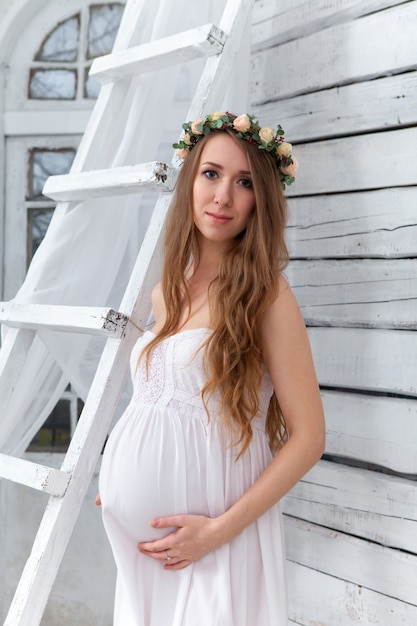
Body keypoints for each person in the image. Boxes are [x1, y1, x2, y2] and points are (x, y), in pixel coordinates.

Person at [98, 112, 325, 626]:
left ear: (259, 202)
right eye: (211, 174)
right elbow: (159, 398)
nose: (223, 195)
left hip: (215, 535)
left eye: (244, 182)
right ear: (190, 180)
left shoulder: (267, 297)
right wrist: (120, 476)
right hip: (146, 545)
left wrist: (218, 532)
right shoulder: (167, 290)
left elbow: (309, 437)